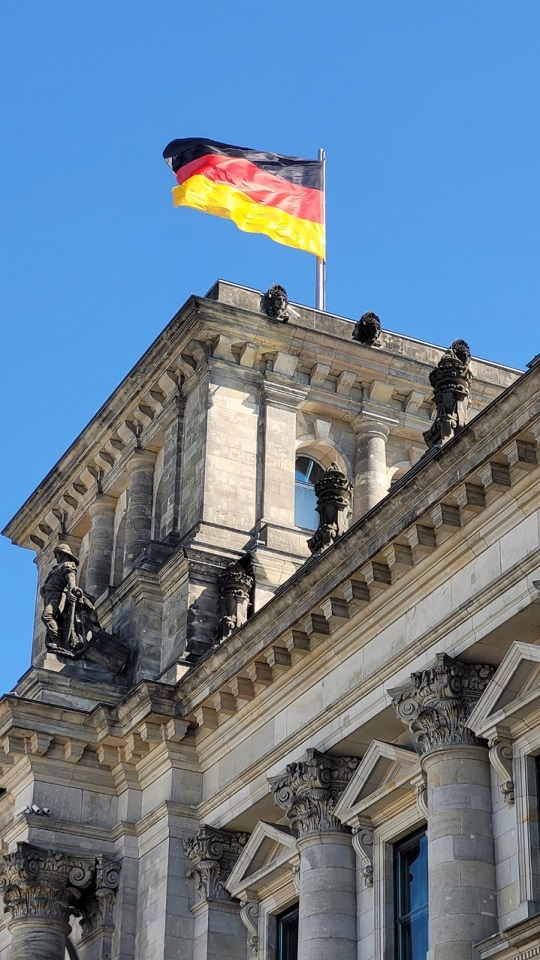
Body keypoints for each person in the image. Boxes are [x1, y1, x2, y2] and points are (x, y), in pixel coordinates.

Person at [40, 543, 82, 649]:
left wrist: (73, 589)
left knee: (47, 616)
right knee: (53, 619)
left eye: (57, 554)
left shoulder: (67, 565)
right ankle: (56, 640)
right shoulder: (56, 569)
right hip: (50, 597)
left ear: (62, 554)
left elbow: (71, 579)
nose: (56, 557)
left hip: (58, 597)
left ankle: (59, 642)